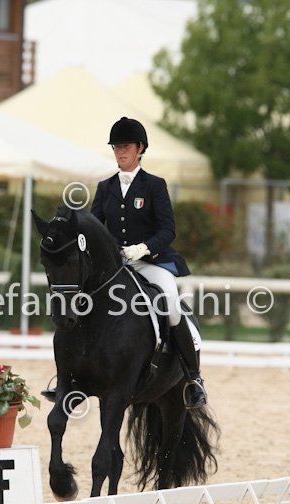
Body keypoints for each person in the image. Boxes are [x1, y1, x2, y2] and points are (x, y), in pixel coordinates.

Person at [43, 116, 206, 409]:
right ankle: (67, 378)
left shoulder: (155, 185)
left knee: (170, 303)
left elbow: (168, 230)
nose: (120, 152)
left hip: (150, 264)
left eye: (126, 146)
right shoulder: (105, 187)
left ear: (140, 148)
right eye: (117, 147)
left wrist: (142, 249)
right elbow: (93, 227)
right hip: (113, 268)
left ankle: (193, 378)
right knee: (79, 302)